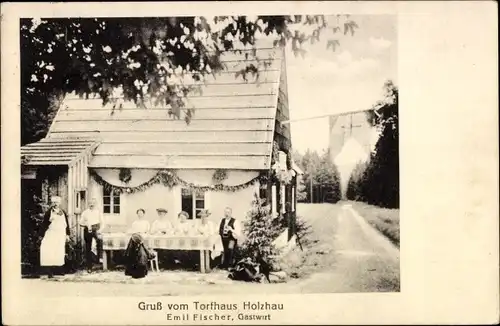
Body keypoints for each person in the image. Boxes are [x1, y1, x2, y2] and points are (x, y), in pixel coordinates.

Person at [39, 196, 70, 278]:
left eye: (57, 202)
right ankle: (49, 272)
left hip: (60, 235)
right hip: (51, 234)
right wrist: (41, 235)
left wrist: (67, 234)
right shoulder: (49, 212)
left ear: (60, 203)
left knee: (59, 252)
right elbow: (44, 224)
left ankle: (59, 270)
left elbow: (66, 224)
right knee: (50, 252)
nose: (55, 204)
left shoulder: (62, 212)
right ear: (52, 203)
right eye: (54, 202)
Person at [79, 198, 104, 273]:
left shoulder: (98, 212)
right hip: (88, 230)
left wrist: (100, 230)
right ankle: (89, 266)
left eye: (93, 203)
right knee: (88, 248)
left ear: (95, 204)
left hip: (96, 229)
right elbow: (80, 222)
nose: (91, 204)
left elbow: (103, 223)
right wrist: (86, 224)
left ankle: (99, 263)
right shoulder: (85, 212)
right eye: (90, 203)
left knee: (99, 245)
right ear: (88, 204)